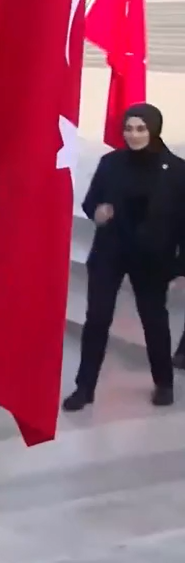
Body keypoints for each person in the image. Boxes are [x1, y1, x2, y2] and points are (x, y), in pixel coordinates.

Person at [65, 104, 185, 411]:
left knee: (154, 319)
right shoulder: (110, 163)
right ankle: (85, 387)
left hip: (152, 258)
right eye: (129, 129)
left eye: (140, 129)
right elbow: (91, 201)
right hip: (110, 252)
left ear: (154, 129)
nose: (134, 135)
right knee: (97, 319)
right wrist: (98, 213)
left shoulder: (177, 170)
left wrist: (180, 267)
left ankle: (164, 383)